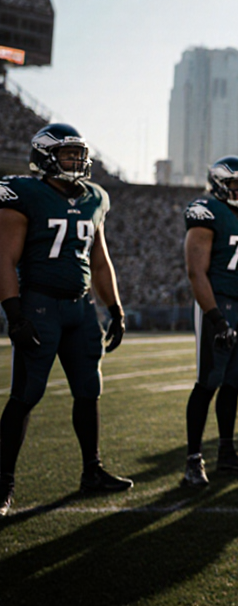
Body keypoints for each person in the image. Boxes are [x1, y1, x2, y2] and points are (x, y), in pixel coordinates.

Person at [0, 124, 131, 515]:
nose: (76, 161)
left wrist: (116, 308)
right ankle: (2, 483)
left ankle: (92, 470)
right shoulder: (25, 194)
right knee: (26, 394)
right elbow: (4, 258)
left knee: (89, 389)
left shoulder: (95, 198)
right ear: (45, 158)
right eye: (67, 154)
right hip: (40, 305)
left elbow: (100, 260)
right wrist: (14, 313)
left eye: (78, 154)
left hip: (81, 307)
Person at [180, 156, 238, 487]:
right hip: (216, 305)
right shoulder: (205, 211)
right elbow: (195, 271)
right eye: (235, 185)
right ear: (218, 186)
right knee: (208, 382)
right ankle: (193, 459)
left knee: (233, 384)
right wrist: (216, 318)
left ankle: (227, 452)